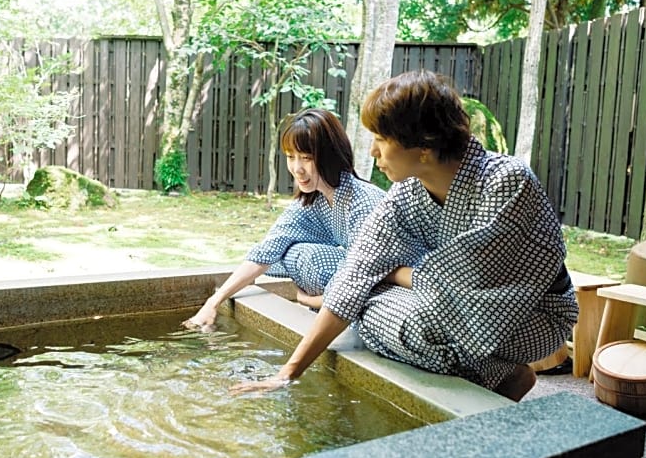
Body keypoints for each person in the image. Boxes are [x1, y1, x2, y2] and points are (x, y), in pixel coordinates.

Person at [231, 70, 578, 401]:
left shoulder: (506, 180)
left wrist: (395, 273)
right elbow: (354, 275)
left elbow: (467, 282)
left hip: (533, 314)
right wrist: (287, 374)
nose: (372, 152)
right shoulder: (406, 194)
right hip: (448, 306)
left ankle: (498, 372)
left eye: (381, 139)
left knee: (414, 324)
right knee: (361, 301)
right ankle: (498, 373)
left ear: (423, 145)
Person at [182, 108, 386, 331]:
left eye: (307, 158)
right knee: (282, 253)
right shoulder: (313, 201)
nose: (297, 168)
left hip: (387, 293)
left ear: (331, 155)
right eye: (291, 157)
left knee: (307, 256)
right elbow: (265, 252)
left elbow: (362, 279)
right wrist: (215, 301)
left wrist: (310, 301)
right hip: (349, 292)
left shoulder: (362, 200)